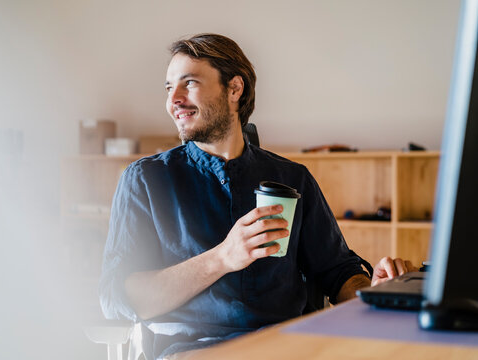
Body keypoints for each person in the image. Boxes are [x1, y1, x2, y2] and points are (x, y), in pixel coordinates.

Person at [99, 33, 417, 360]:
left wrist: (373, 293)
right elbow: (117, 301)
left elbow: (337, 272)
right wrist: (223, 257)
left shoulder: (293, 179)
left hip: (288, 347)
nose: (173, 100)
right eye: (168, 88)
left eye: (189, 83)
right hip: (194, 350)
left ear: (234, 89)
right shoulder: (145, 180)